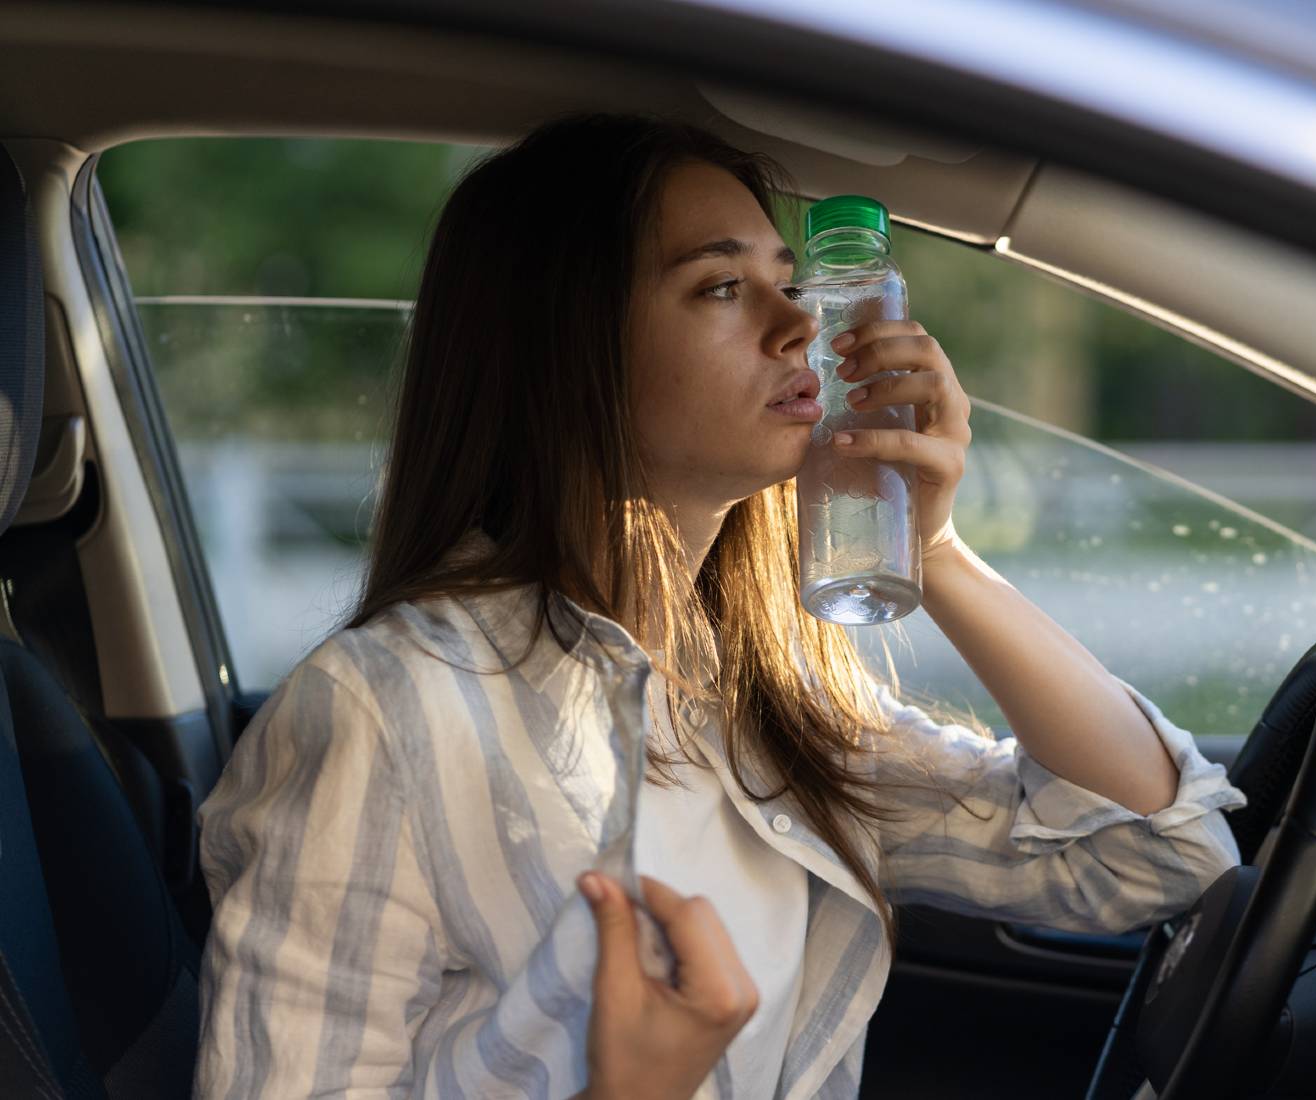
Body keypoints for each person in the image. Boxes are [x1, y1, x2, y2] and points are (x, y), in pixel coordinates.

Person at [192, 113, 1246, 1100]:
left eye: (787, 281)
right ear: (570, 350)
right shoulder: (389, 710)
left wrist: (935, 548)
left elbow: (1153, 851)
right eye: (719, 288)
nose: (801, 326)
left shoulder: (751, 697)